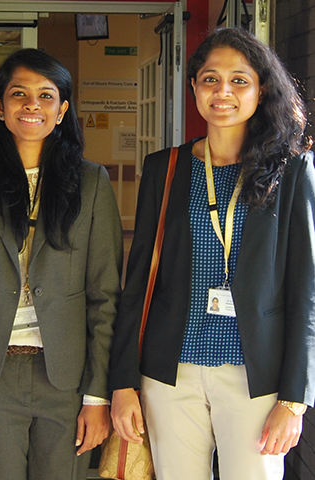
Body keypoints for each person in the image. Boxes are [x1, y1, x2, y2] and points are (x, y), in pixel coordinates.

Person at [109, 27, 315, 480]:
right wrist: (123, 382)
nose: (223, 91)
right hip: (170, 371)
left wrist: (294, 399)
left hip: (255, 374)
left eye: (239, 80)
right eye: (210, 79)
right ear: (195, 89)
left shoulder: (292, 171)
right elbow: (138, 281)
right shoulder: (164, 167)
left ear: (262, 90)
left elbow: (307, 291)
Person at [0, 48, 123, 479]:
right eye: (19, 94)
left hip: (66, 379)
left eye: (46, 95)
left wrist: (97, 395)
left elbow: (104, 297)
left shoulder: (91, 184)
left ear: (62, 109)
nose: (32, 105)